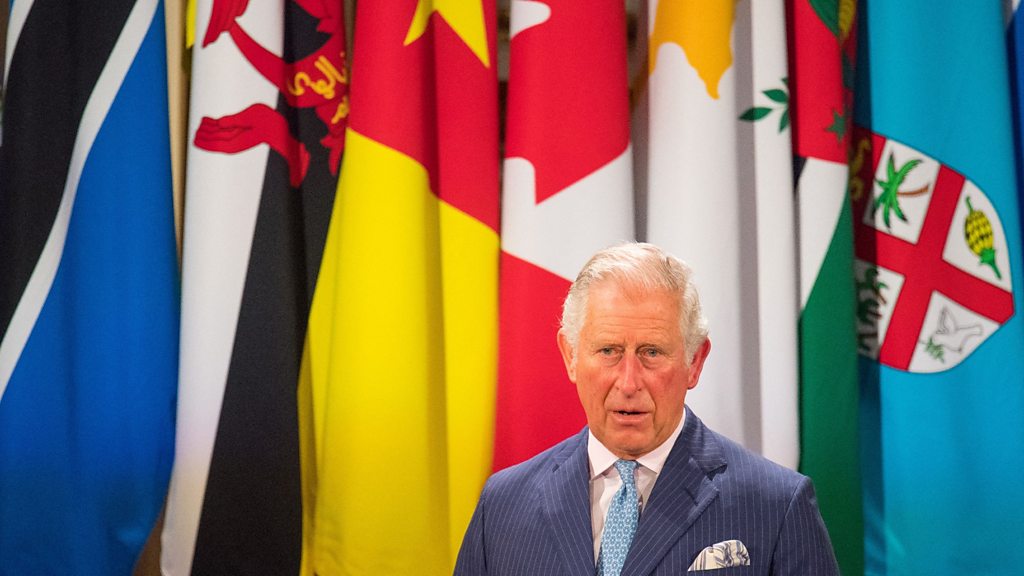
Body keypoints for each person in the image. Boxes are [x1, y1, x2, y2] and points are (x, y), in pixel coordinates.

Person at [454, 243, 839, 575]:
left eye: (651, 353)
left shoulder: (776, 506)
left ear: (694, 361)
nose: (628, 382)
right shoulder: (502, 506)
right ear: (570, 356)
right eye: (609, 351)